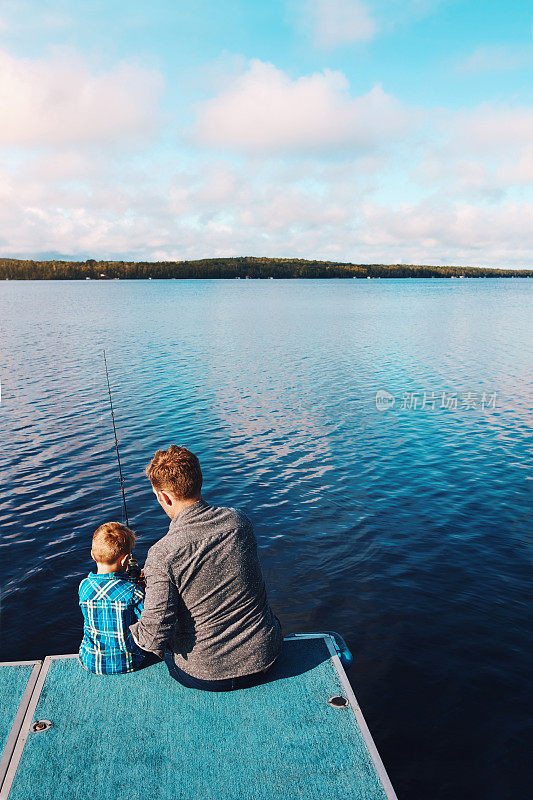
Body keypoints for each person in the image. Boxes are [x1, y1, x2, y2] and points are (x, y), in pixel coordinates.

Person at [130, 445, 282, 691]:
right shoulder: (239, 522)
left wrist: (136, 622)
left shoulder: (161, 554)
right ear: (198, 481)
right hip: (266, 657)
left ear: (164, 497)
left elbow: (153, 637)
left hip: (205, 675)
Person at [78, 522, 156, 675]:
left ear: (92, 554)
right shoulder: (133, 592)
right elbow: (149, 624)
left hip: (90, 661)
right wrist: (143, 589)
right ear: (124, 559)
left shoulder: (84, 587)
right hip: (130, 661)